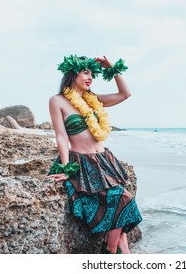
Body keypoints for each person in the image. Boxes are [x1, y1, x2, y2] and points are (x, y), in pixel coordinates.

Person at [47, 54, 142, 254]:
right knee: (121, 198)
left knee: (118, 204)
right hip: (82, 161)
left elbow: (125, 94)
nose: (90, 77)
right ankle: (110, 251)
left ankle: (122, 253)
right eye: (85, 72)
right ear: (73, 73)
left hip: (104, 160)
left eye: (92, 74)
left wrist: (112, 67)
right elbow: (62, 136)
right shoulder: (58, 101)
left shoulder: (94, 100)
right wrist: (66, 168)